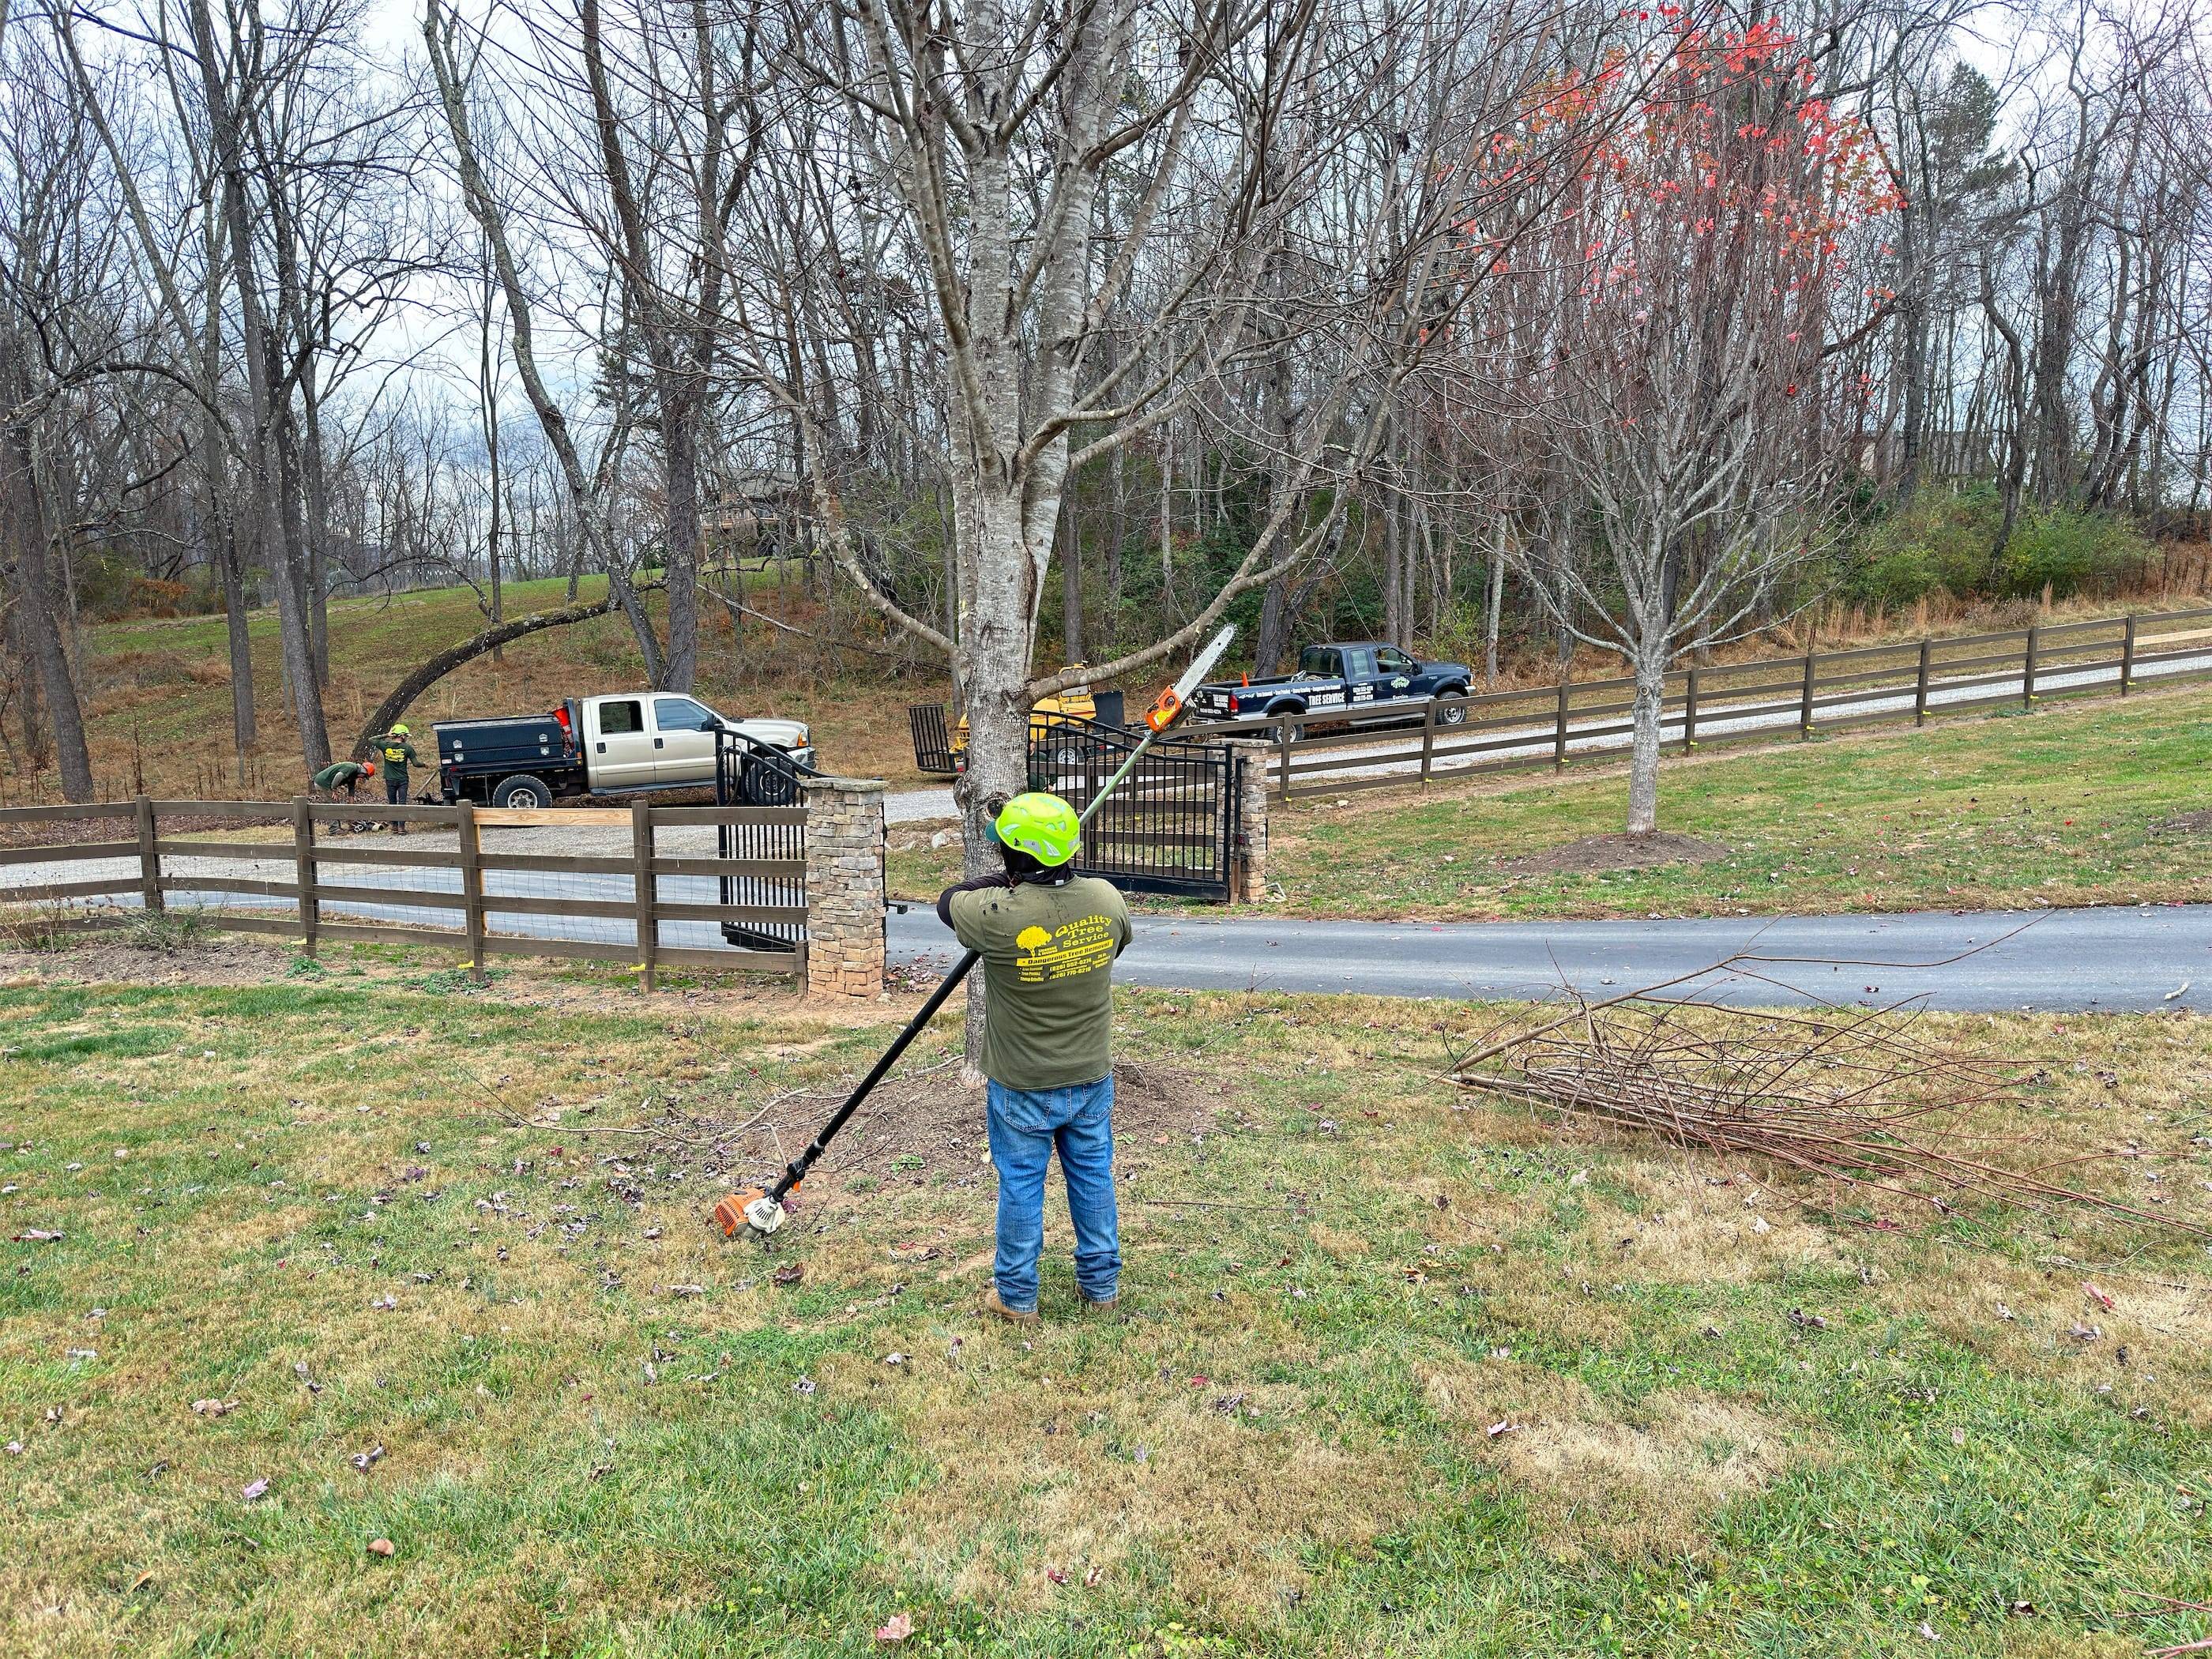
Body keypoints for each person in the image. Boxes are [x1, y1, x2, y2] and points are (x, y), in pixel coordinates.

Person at [938, 792, 1133, 1323]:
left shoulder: (998, 915)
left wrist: (1000, 884)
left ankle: (1017, 1296)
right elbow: (1113, 946)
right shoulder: (1107, 900)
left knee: (1022, 1183)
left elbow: (947, 900)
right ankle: (1101, 1286)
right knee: (1093, 1175)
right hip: (1090, 1074)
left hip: (1022, 1082)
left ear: (1012, 856)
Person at [378, 724, 421, 833]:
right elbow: (416, 764)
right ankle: (402, 828)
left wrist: (386, 735)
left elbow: (371, 739)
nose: (406, 737)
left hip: (390, 779)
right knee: (402, 802)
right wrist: (424, 765)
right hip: (402, 779)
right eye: (406, 735)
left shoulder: (385, 745)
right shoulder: (407, 748)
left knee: (392, 802)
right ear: (402, 736)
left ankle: (394, 826)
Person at [310, 758, 374, 799]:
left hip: (326, 783)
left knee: (335, 804)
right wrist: (334, 791)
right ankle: (333, 820)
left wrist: (352, 808)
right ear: (363, 772)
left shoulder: (353, 776)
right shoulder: (351, 767)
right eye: (364, 776)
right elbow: (339, 776)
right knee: (334, 804)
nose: (362, 778)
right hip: (323, 782)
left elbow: (351, 792)